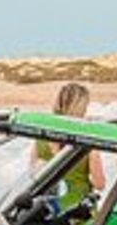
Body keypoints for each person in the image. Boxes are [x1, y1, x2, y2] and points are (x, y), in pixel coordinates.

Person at [34, 82, 108, 211]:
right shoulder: (87, 143)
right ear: (80, 108)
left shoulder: (41, 139)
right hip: (78, 215)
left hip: (47, 212)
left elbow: (33, 174)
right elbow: (100, 184)